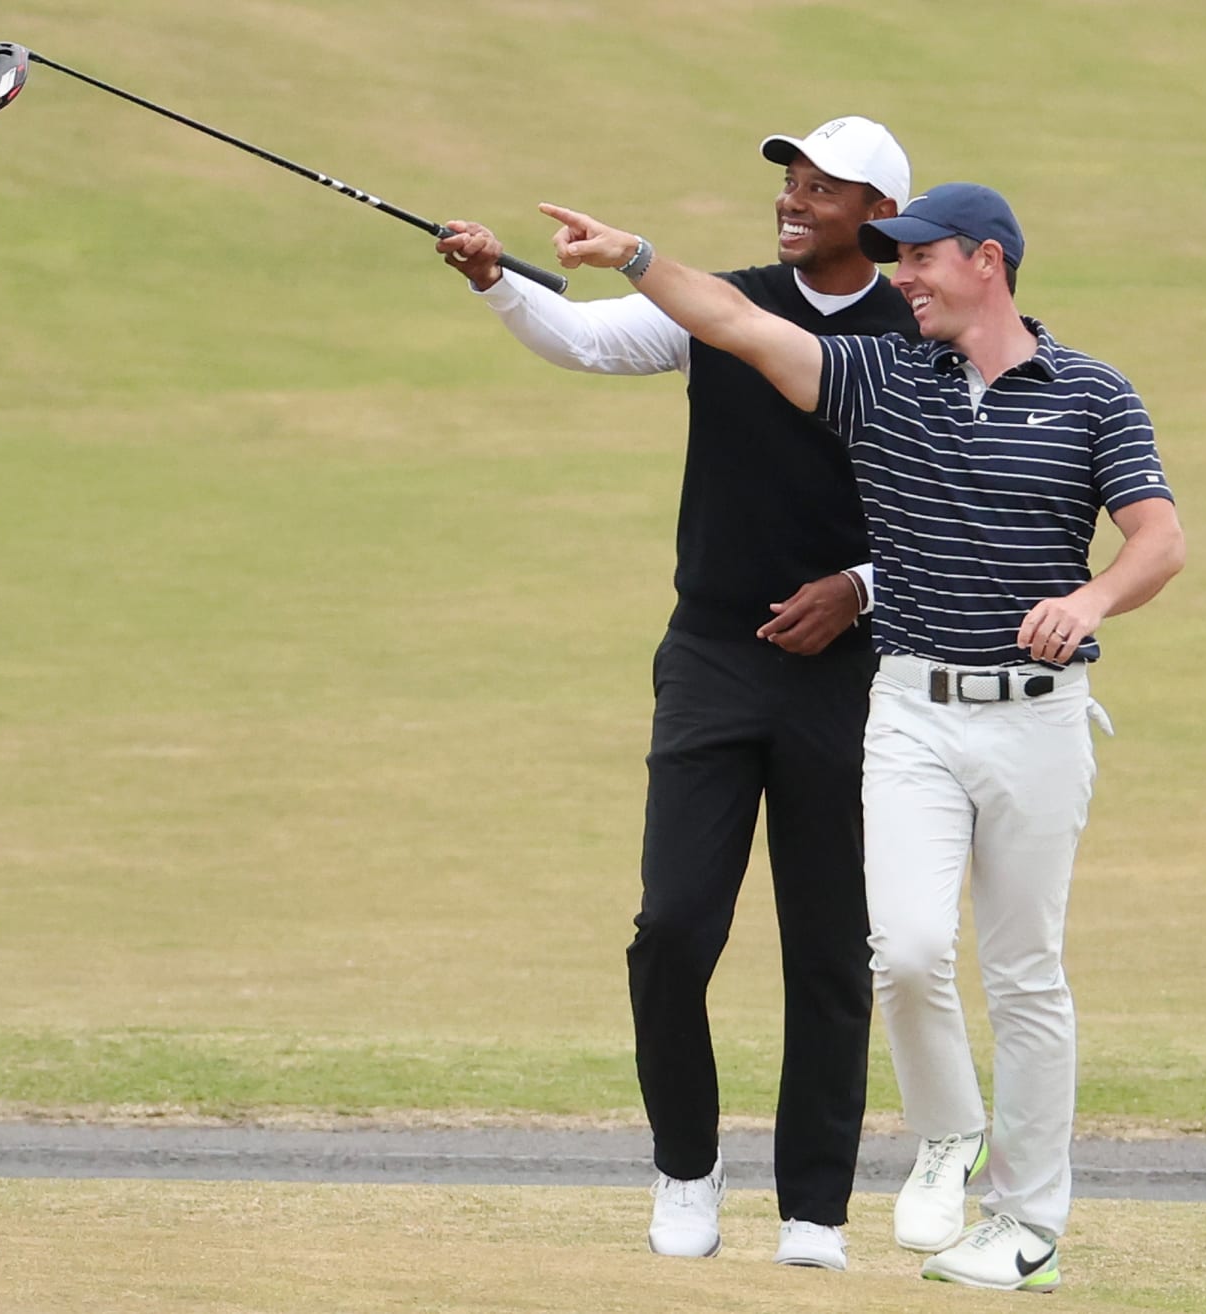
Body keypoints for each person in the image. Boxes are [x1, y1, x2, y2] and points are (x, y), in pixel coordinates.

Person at [538, 182, 1186, 1292]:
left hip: (1038, 723)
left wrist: (1090, 602)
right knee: (910, 951)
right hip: (911, 713)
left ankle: (1026, 1224)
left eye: (921, 260)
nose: (901, 280)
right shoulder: (883, 380)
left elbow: (1159, 539)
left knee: (1026, 977)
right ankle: (949, 1136)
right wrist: (637, 256)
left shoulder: (1093, 393)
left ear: (987, 260)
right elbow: (738, 325)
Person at [434, 118, 919, 1270]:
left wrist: (857, 588)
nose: (793, 203)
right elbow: (594, 340)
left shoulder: (920, 335)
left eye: (822, 190)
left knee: (830, 948)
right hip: (711, 654)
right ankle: (687, 1171)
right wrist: (502, 282)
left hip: (847, 677)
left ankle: (814, 1210)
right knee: (672, 928)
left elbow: (959, 513)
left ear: (881, 218)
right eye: (789, 185)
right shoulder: (724, 303)